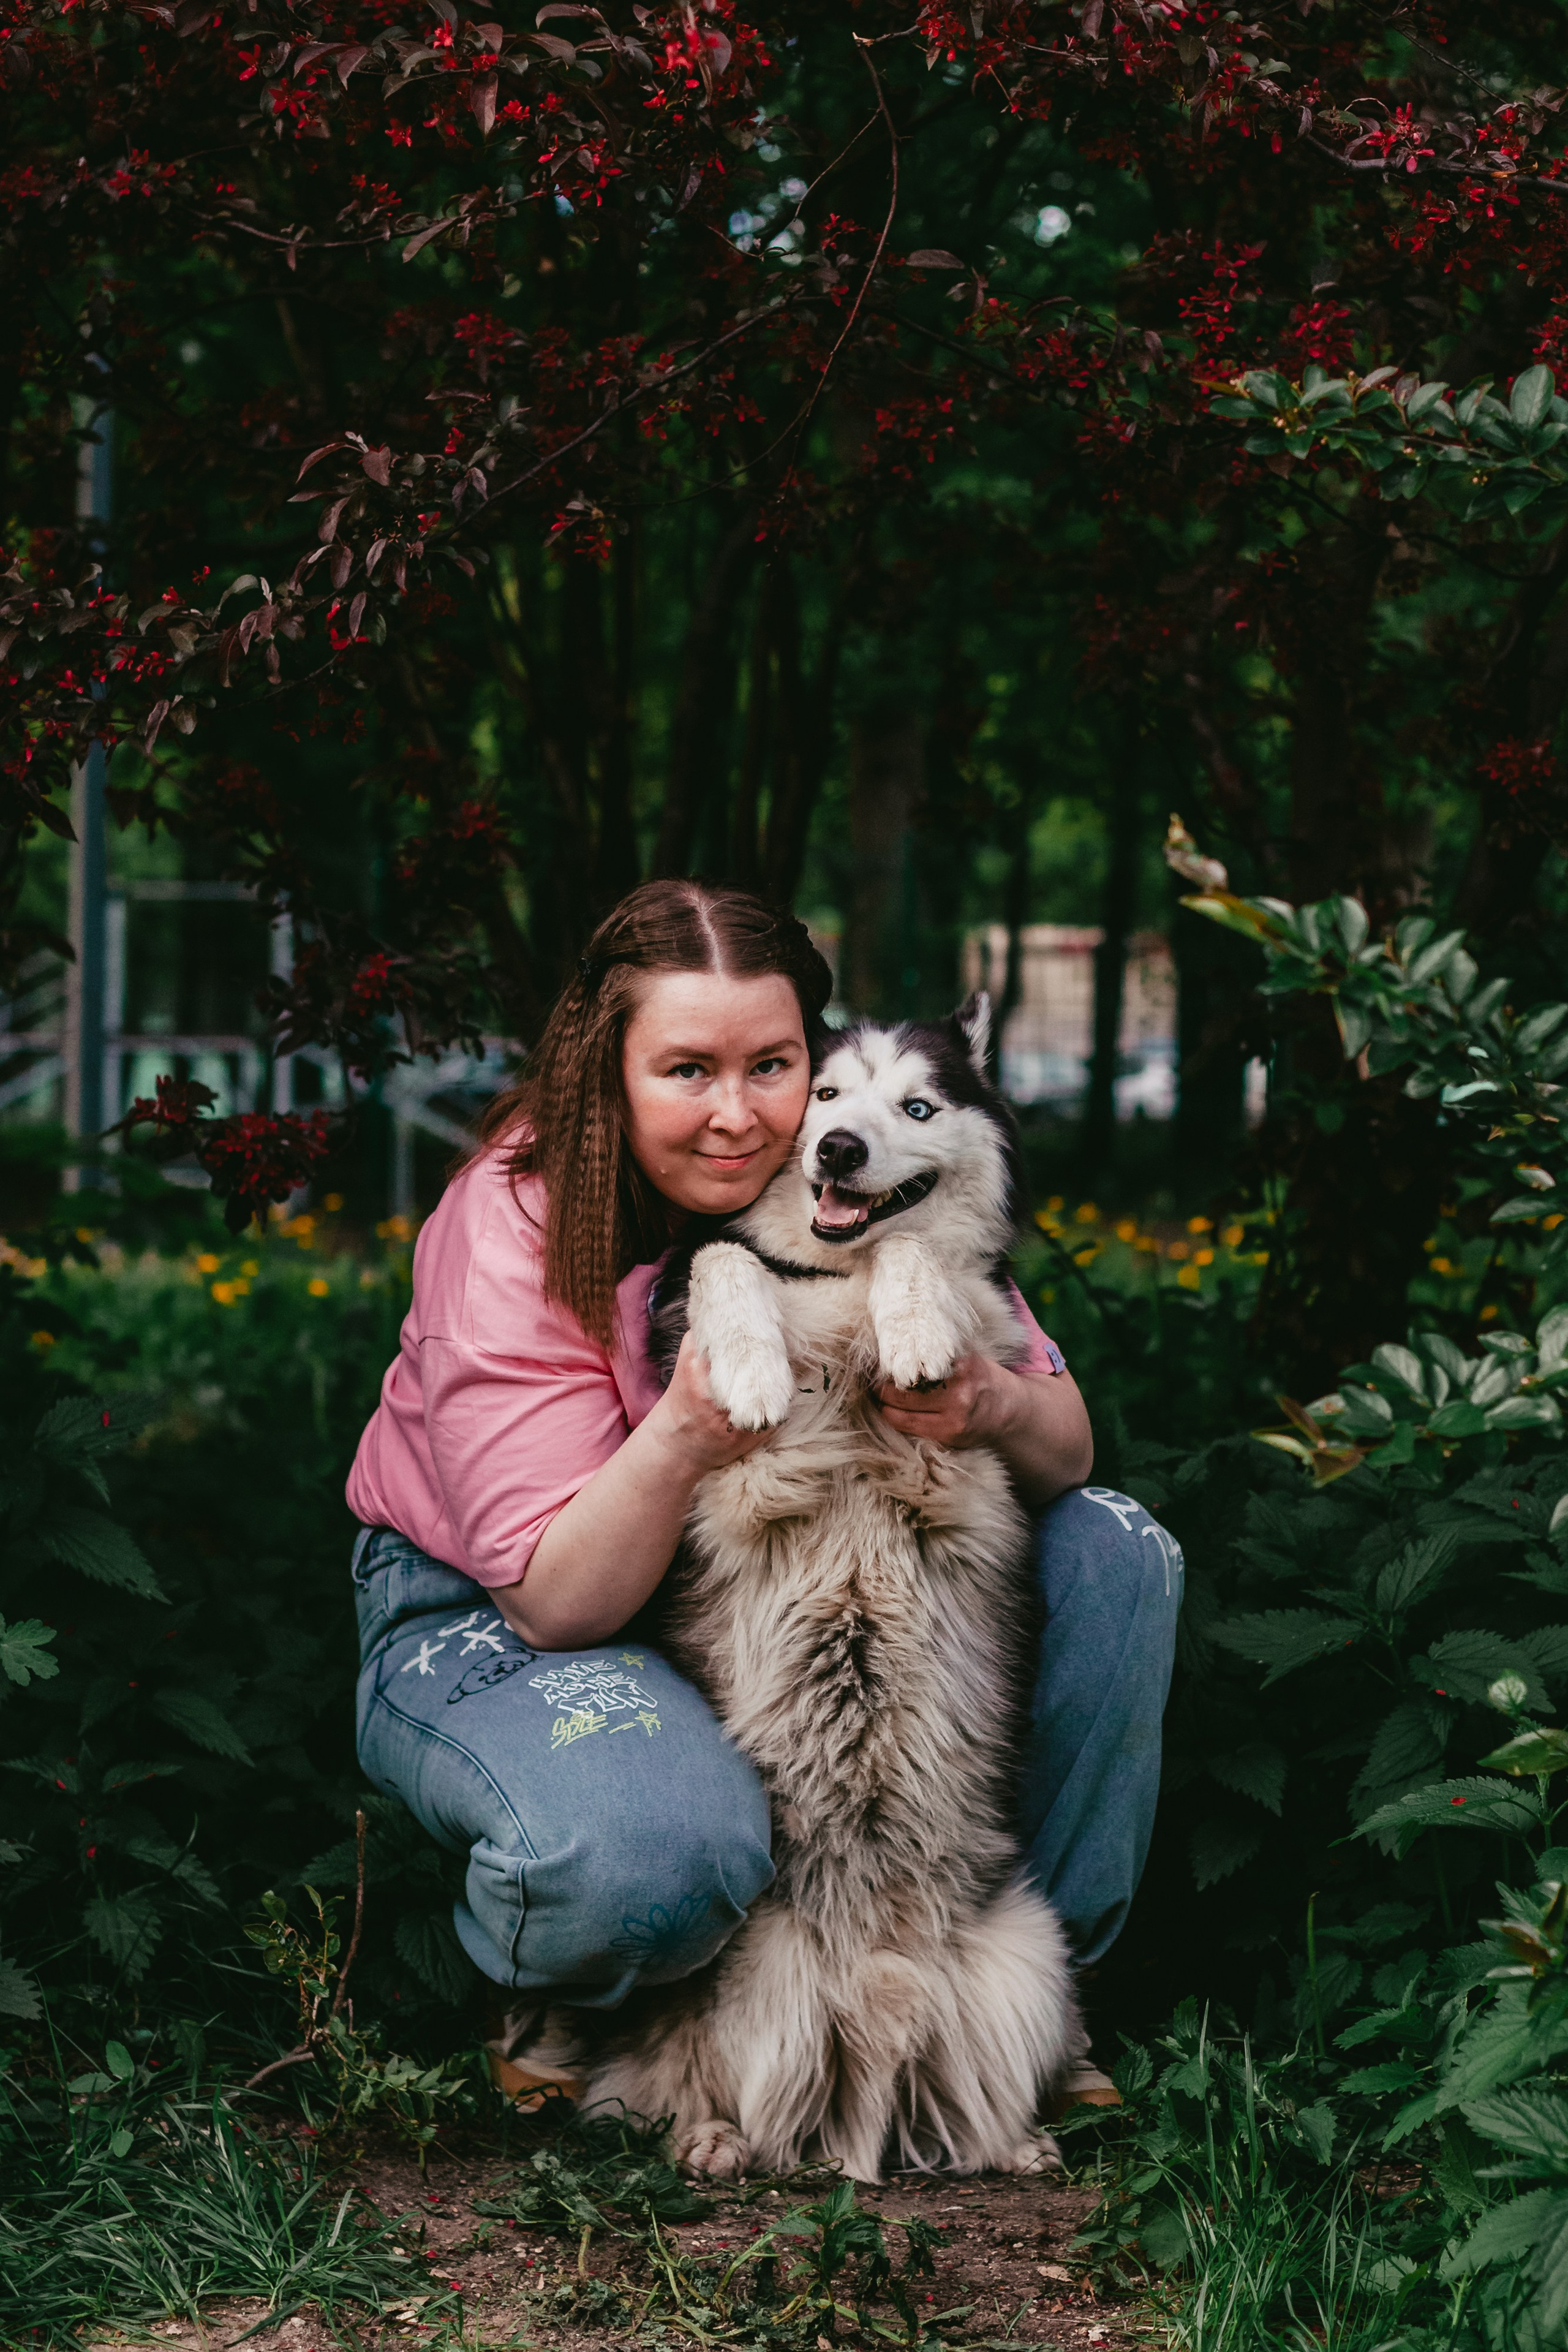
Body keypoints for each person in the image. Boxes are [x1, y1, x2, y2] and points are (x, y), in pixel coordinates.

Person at [347, 881, 1182, 2100]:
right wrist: (688, 1430)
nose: (739, 1116)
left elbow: (1067, 1450)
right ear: (608, 1070)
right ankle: (578, 1992)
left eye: (773, 1066)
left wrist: (989, 1402)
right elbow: (556, 1604)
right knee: (657, 1853)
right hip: (506, 1609)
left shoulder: (840, 1174)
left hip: (736, 1587)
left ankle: (1027, 2003)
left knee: (1113, 1549)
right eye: (688, 1069)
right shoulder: (513, 1219)